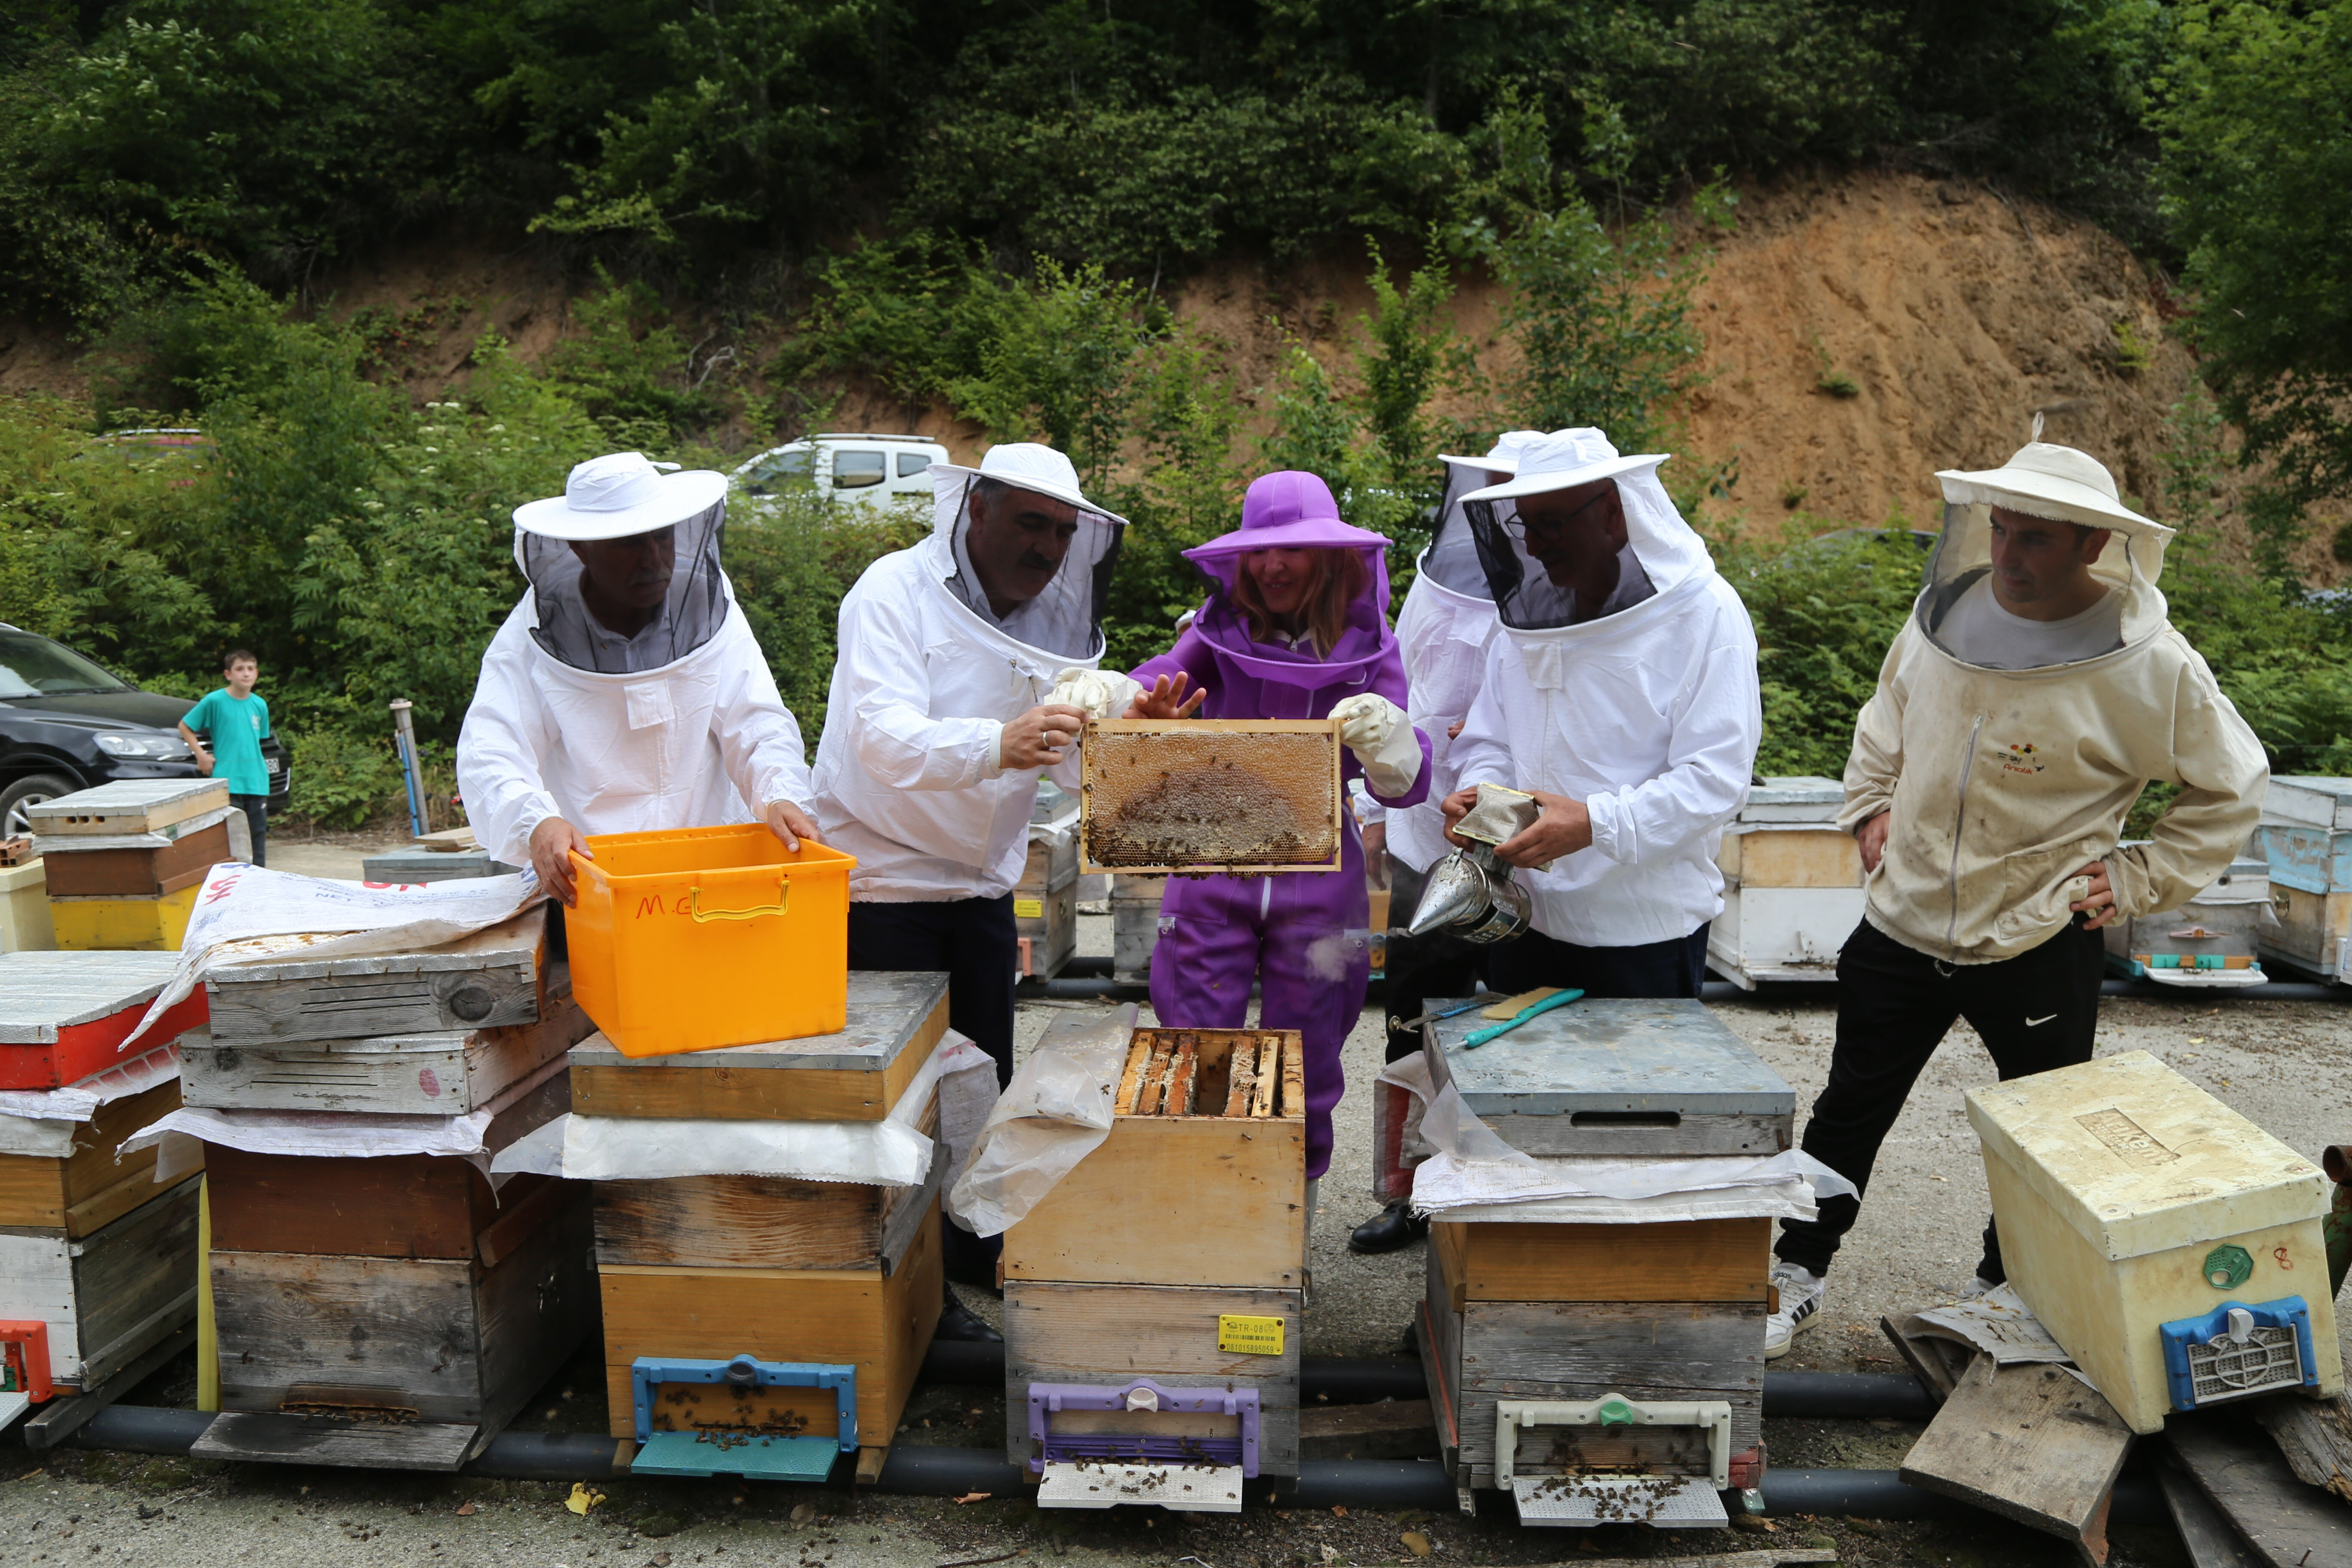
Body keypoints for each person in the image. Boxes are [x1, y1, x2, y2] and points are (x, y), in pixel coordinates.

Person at [1765, 435, 2268, 1358]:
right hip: (1902, 919)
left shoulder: (2148, 663)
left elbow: (2232, 786)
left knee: (2039, 1134)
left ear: (2091, 545)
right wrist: (1869, 806)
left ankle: (2007, 1291)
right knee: (1848, 1109)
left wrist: (2138, 876)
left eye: (2035, 539)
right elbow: (1887, 717)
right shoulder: (1942, 613)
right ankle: (1796, 1269)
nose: (2006, 555)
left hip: (2039, 934)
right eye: (1999, 530)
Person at [813, 441, 1128, 1341]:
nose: (1048, 549)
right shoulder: (888, 593)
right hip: (882, 884)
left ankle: (966, 1249)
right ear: (974, 512)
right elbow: (881, 737)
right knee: (902, 1101)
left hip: (980, 889)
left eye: (1064, 533)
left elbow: (1061, 758)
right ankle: (910, 1293)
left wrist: (1130, 735)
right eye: (1031, 523)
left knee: (979, 1085)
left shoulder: (1038, 622)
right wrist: (998, 743)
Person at [1123, 470, 1433, 1213]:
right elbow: (1153, 686)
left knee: (1311, 1052)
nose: (1270, 566)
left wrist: (1392, 743)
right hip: (1209, 870)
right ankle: (1206, 1220)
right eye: (1258, 553)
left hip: (1319, 883)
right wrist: (1127, 701)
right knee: (1196, 1048)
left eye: (1290, 550)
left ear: (1329, 558)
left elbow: (1404, 781)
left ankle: (1287, 1221)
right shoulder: (1212, 631)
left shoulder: (1372, 644)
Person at [1439, 428, 1762, 999]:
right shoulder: (1524, 624)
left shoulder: (1705, 615)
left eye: (1553, 523)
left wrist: (1595, 825)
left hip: (1643, 933)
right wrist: (1479, 797)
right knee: (1522, 1086)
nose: (1535, 545)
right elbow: (1489, 738)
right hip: (1526, 921)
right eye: (1525, 524)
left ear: (1614, 512)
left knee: (1636, 1091)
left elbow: (1716, 782)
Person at [457, 451, 822, 902]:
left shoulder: (708, 608)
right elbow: (492, 750)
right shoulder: (530, 634)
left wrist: (780, 794)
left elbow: (757, 723)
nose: (653, 560)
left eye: (662, 538)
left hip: (710, 870)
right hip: (589, 877)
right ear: (581, 548)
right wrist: (536, 822)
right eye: (629, 544)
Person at [1349, 430, 1543, 1256]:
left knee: (1503, 1023)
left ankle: (1484, 1194)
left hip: (1519, 839)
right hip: (1422, 830)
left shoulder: (1562, 589)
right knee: (1407, 1022)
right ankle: (1405, 1191)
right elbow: (1401, 694)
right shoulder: (1436, 581)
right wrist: (1370, 802)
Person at [179, 649, 273, 867]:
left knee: (257, 835)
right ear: (228, 674)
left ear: (257, 673)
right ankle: (231, 882)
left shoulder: (260, 704)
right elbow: (185, 726)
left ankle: (259, 881)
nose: (246, 674)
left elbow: (257, 740)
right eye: (240, 669)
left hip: (256, 780)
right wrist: (201, 756)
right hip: (228, 780)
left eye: (251, 669)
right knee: (231, 838)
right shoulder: (215, 701)